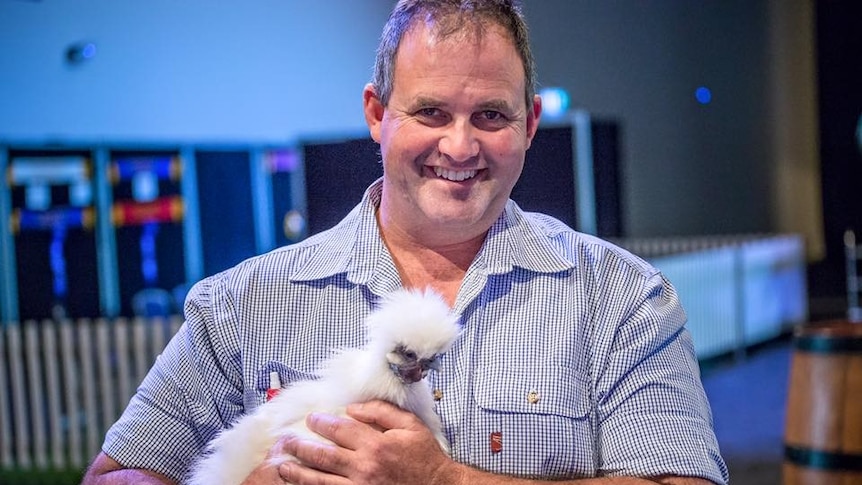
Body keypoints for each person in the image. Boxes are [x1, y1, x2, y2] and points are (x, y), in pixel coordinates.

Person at [82, 0, 729, 484]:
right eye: (430, 112)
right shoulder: (240, 304)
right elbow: (115, 475)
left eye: (491, 115)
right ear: (375, 114)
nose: (459, 146)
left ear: (530, 124)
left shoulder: (622, 298)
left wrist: (442, 479)